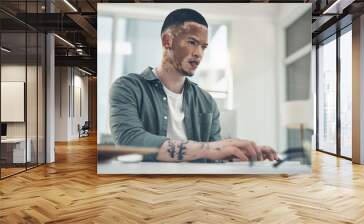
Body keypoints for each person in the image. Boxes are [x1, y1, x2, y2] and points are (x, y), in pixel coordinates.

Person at [110, 8, 279, 163]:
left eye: (203, 47)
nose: (198, 53)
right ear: (167, 40)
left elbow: (215, 157)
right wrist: (207, 149)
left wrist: (242, 154)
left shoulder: (207, 101)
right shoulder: (127, 87)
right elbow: (129, 141)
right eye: (192, 42)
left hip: (198, 189)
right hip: (147, 189)